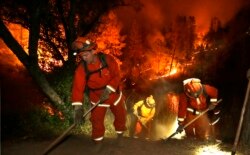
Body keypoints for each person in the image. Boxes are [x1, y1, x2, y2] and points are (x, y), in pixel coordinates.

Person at [70, 37, 127, 149]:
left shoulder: (108, 59)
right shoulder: (81, 69)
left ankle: (120, 136)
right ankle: (98, 143)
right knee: (96, 121)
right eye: (82, 56)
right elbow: (77, 88)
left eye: (86, 55)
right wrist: (78, 109)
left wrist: (108, 89)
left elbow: (116, 75)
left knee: (121, 116)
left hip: (114, 95)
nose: (84, 58)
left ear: (93, 51)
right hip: (97, 98)